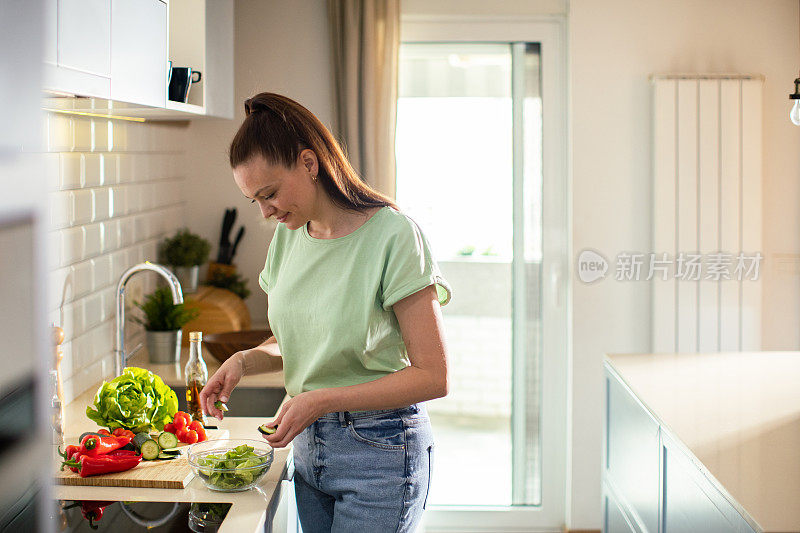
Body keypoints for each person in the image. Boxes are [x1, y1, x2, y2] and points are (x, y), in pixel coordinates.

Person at [199, 92, 452, 532]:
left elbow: (433, 375)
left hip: (381, 453)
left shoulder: (394, 236)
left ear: (309, 163)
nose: (265, 211)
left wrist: (321, 400)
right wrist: (243, 361)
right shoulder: (288, 238)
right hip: (309, 452)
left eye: (271, 193)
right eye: (253, 200)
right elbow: (303, 338)